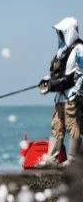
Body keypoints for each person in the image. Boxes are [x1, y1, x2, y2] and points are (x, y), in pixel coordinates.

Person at [38, 17, 83, 165]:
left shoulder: (79, 50)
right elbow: (54, 74)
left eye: (61, 32)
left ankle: (74, 158)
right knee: (56, 126)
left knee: (72, 126)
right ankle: (51, 157)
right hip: (59, 98)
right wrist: (46, 82)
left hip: (71, 97)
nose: (59, 36)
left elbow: (79, 75)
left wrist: (76, 92)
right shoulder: (60, 52)